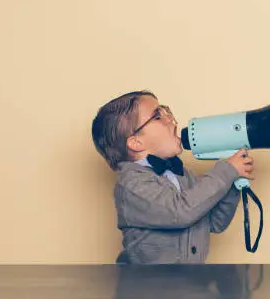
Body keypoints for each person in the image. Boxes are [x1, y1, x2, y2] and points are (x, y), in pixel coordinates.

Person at [91, 90, 255, 264]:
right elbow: (181, 211)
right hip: (147, 286)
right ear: (136, 143)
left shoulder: (182, 174)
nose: (170, 117)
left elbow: (215, 223)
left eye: (165, 110)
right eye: (157, 116)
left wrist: (232, 183)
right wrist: (226, 171)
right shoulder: (132, 185)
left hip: (189, 286)